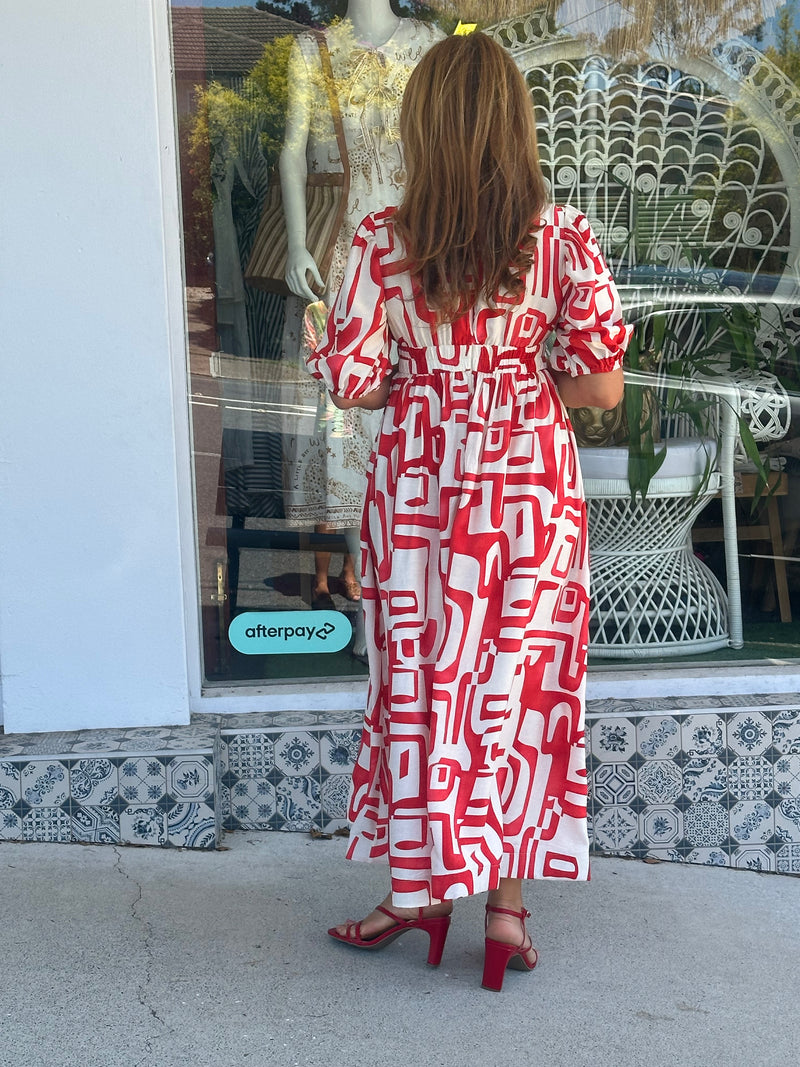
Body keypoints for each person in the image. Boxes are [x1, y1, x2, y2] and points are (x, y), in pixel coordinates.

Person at [307, 32, 629, 992]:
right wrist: (515, 387)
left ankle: (417, 895)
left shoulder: (379, 239)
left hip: (420, 493)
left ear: (422, 126)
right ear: (515, 126)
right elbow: (603, 388)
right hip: (529, 492)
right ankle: (506, 912)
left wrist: (427, 374)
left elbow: (356, 386)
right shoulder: (560, 236)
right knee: (519, 698)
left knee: (422, 686)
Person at [278, 0, 443, 632]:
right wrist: (297, 241)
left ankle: (414, 595)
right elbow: (294, 151)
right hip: (343, 259)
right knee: (346, 428)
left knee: (415, 414)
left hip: (421, 257)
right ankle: (374, 599)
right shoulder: (312, 50)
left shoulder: (430, 44)